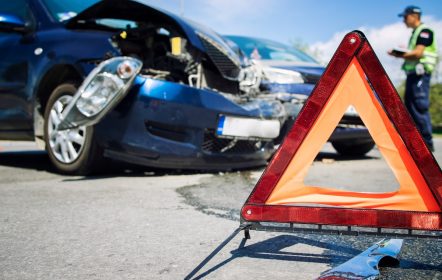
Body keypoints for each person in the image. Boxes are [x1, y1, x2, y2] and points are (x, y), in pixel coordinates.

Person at [388, 5, 438, 152]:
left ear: (414, 16)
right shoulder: (415, 33)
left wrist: (399, 54)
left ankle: (426, 145)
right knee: (410, 107)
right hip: (413, 76)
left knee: (419, 107)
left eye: (405, 17)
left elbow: (418, 53)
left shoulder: (425, 31)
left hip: (420, 75)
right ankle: (417, 143)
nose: (403, 20)